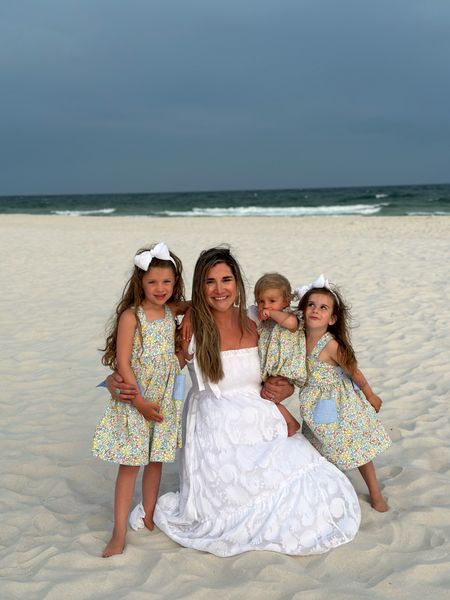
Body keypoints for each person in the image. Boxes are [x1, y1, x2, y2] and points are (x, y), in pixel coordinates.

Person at [118, 247, 360, 557]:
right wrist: (116, 383)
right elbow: (146, 363)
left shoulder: (256, 318)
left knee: (313, 484)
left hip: (261, 412)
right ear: (199, 287)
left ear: (238, 283)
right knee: (233, 500)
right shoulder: (187, 328)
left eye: (226, 279)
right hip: (215, 421)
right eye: (210, 281)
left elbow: (291, 358)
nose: (219, 289)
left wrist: (284, 387)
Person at [92, 242, 186, 557]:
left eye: (166, 282)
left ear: (175, 284)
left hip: (163, 399)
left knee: (156, 459)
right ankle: (118, 532)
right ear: (140, 283)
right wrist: (140, 403)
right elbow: (123, 362)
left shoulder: (172, 310)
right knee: (131, 464)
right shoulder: (132, 316)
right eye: (152, 282)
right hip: (138, 399)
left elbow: (194, 306)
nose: (160, 288)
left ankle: (147, 516)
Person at [296, 275, 391, 512]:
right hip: (314, 404)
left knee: (355, 445)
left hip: (340, 403)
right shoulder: (297, 338)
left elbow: (353, 371)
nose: (316, 310)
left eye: (323, 307)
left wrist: (370, 394)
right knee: (320, 445)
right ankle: (330, 489)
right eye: (311, 305)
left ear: (332, 318)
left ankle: (376, 494)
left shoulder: (331, 345)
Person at [252, 272, 307, 436]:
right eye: (261, 302)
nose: (266, 306)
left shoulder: (289, 316)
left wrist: (272, 313)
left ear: (286, 301)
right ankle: (285, 421)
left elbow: (291, 324)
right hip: (272, 369)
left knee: (267, 397)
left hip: (285, 368)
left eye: (272, 301)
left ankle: (290, 422)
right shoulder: (266, 323)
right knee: (265, 397)